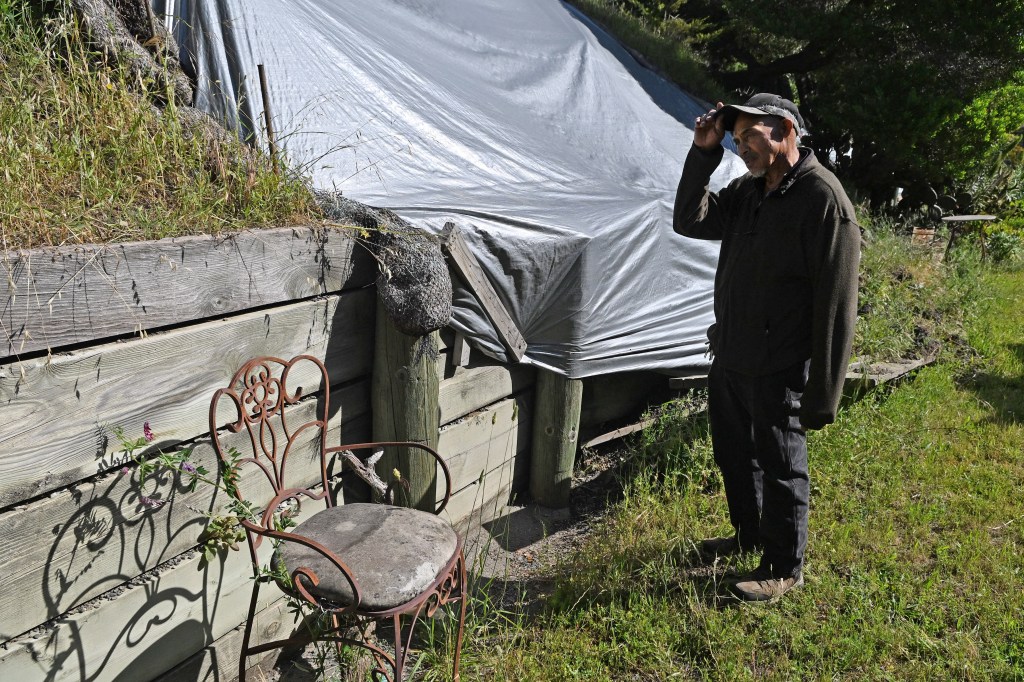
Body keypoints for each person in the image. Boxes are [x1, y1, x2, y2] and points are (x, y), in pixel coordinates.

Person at [673, 93, 861, 601]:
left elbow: (838, 304)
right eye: (736, 142)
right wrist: (703, 153)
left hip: (781, 361)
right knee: (735, 454)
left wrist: (824, 392)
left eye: (748, 138)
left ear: (784, 131)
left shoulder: (823, 200)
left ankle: (783, 567)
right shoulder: (747, 191)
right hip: (732, 351)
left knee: (780, 463)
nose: (743, 149)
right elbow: (688, 220)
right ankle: (749, 534)